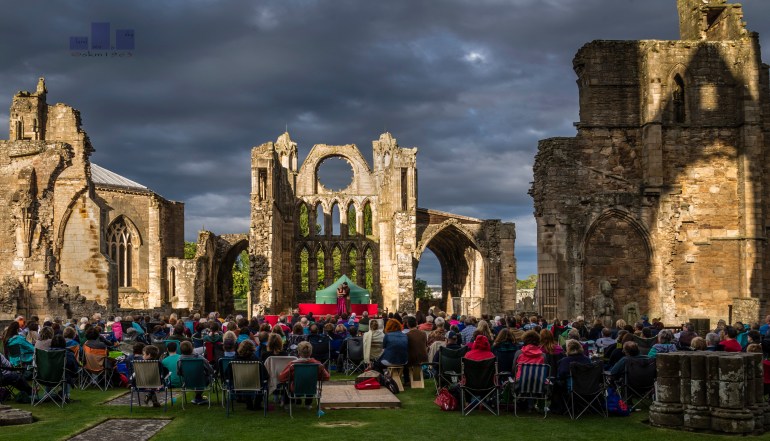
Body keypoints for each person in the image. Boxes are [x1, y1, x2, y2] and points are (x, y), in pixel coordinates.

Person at [278, 341, 330, 408]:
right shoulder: (318, 364)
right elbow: (326, 377)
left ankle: (287, 404)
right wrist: (317, 376)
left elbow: (281, 378)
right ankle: (308, 404)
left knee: (287, 384)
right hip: (311, 388)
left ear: (298, 352)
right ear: (311, 352)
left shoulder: (293, 364)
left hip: (295, 388)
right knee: (310, 382)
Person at [177, 340, 214, 405]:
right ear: (192, 348)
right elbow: (211, 371)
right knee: (206, 376)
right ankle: (198, 397)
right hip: (201, 381)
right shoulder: (200, 358)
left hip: (187, 381)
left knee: (200, 376)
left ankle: (198, 397)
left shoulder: (180, 360)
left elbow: (179, 373)